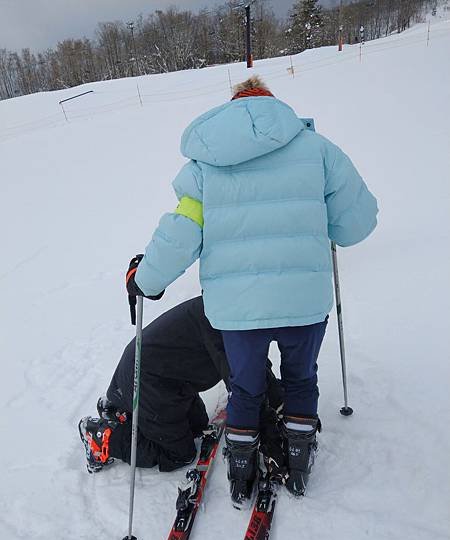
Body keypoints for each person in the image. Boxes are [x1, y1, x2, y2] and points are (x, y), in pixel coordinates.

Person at [125, 75, 378, 505]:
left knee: (245, 388)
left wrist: (146, 279)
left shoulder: (206, 164)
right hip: (304, 303)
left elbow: (182, 231)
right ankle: (299, 459)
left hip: (236, 311)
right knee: (301, 379)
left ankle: (241, 468)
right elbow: (357, 223)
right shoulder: (318, 150)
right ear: (272, 104)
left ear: (233, 105)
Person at [78, 296, 283, 474]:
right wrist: (270, 433)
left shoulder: (228, 311)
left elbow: (253, 364)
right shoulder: (220, 324)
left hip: (171, 381)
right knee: (179, 454)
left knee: (198, 426)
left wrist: (280, 400)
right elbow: (242, 385)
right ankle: (105, 437)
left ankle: (124, 412)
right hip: (146, 383)